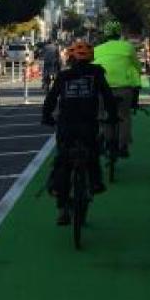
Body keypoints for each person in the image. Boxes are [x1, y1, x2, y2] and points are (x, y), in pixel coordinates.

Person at [42, 40, 118, 226]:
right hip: (88, 124)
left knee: (63, 161)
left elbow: (51, 98)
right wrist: (112, 115)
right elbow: (108, 97)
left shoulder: (64, 76)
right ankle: (95, 182)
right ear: (90, 58)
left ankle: (62, 208)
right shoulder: (96, 73)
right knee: (92, 154)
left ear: (70, 58)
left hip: (66, 125)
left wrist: (47, 117)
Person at [93, 22, 142, 159]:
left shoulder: (97, 49)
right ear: (119, 33)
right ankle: (123, 146)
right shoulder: (128, 47)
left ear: (105, 35)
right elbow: (137, 67)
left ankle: (107, 141)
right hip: (123, 89)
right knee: (124, 116)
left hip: (103, 89)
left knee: (104, 115)